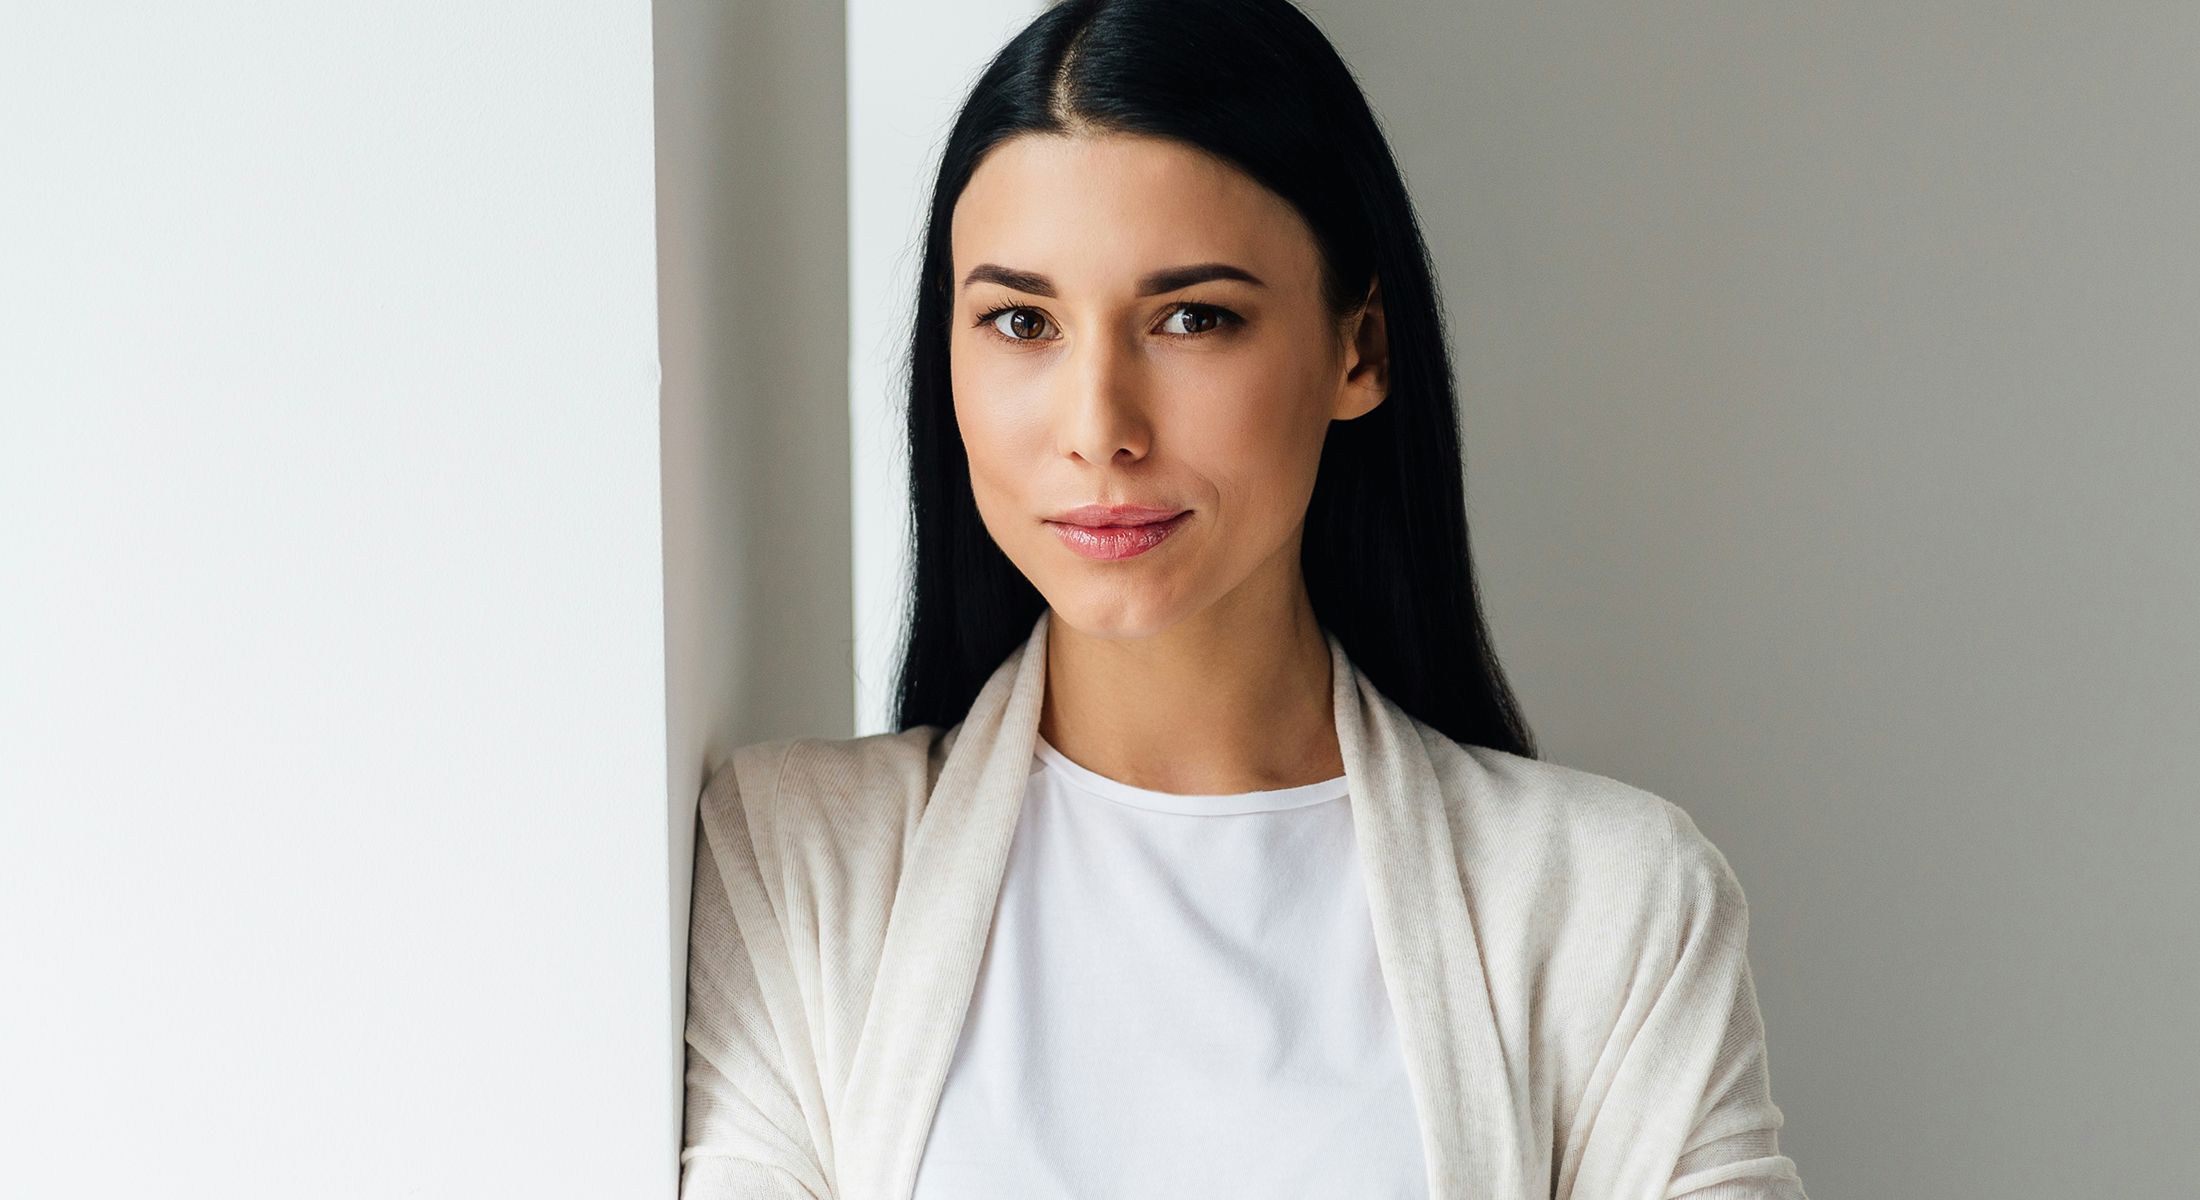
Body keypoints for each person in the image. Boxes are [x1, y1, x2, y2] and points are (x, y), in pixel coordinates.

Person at [681, 1, 1808, 1197]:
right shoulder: (797, 865)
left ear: (1358, 351)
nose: (1098, 428)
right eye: (1022, 322)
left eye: (1191, 318)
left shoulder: (1613, 906)